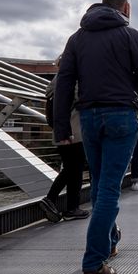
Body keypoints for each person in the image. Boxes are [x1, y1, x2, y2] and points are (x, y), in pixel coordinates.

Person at [53, 0, 138, 274]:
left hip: (88, 119)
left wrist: (61, 127)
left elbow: (63, 83)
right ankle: (93, 265)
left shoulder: (77, 39)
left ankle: (111, 239)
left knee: (103, 183)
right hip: (121, 117)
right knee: (109, 190)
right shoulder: (132, 36)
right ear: (126, 8)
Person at [40, 71, 90, 222]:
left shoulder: (57, 81)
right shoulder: (71, 78)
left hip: (62, 131)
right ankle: (53, 199)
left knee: (72, 169)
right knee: (73, 169)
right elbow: (83, 98)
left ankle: (70, 207)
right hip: (73, 131)